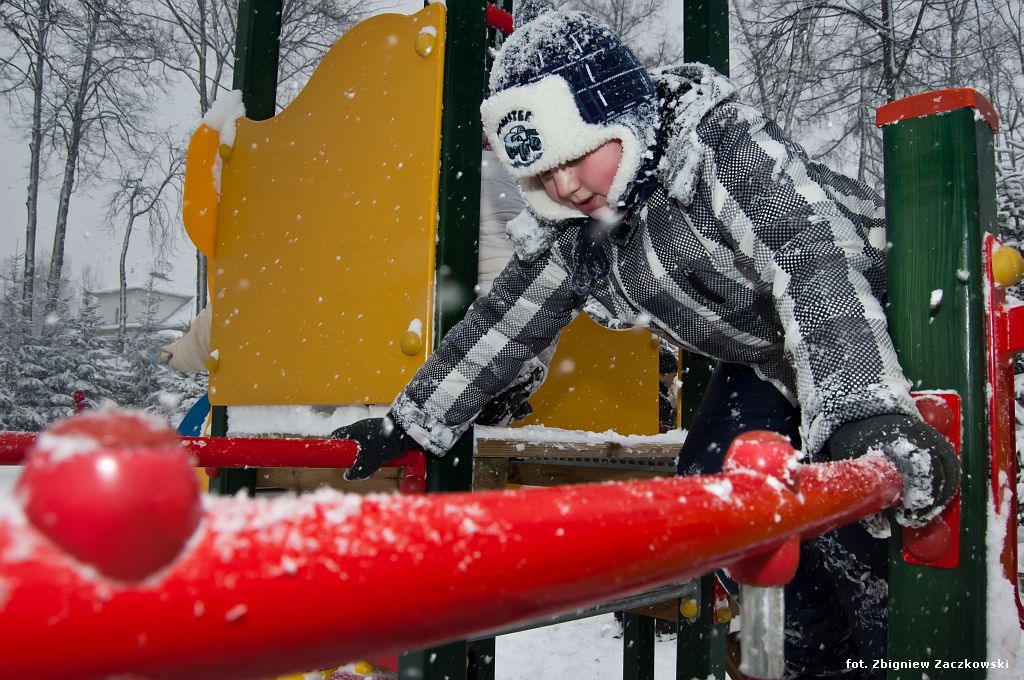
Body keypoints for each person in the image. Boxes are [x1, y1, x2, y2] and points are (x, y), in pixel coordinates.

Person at [331, 2, 959, 677]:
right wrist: (410, 421)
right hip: (769, 360)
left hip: (884, 317)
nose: (563, 185)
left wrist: (861, 405)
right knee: (713, 489)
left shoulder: (716, 146)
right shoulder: (579, 232)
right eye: (541, 174)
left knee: (853, 503)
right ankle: (810, 648)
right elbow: (506, 320)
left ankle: (893, 641)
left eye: (575, 156)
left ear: (624, 119)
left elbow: (806, 258)